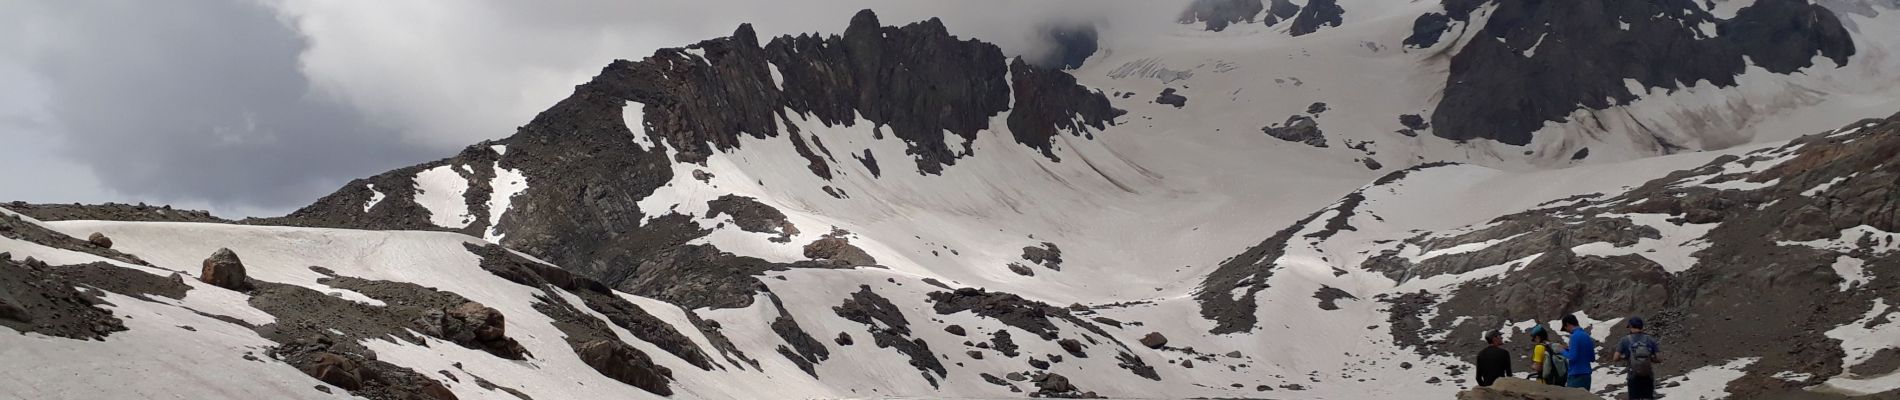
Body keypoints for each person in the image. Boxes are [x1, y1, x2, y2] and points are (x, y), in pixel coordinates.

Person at [1612, 317, 1663, 400]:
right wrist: (1649, 358)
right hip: (1647, 375)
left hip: (1633, 376)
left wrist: (1625, 357)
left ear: (1631, 326)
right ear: (1641, 327)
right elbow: (1659, 359)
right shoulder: (1650, 339)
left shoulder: (1625, 340)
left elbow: (1615, 358)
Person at [1560, 314, 1596, 390]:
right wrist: (1569, 350)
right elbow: (1592, 358)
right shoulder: (1586, 336)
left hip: (1576, 375)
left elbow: (1572, 357)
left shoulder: (1574, 336)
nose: (1568, 331)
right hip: (1587, 375)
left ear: (1567, 324)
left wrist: (1562, 351)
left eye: (1566, 328)